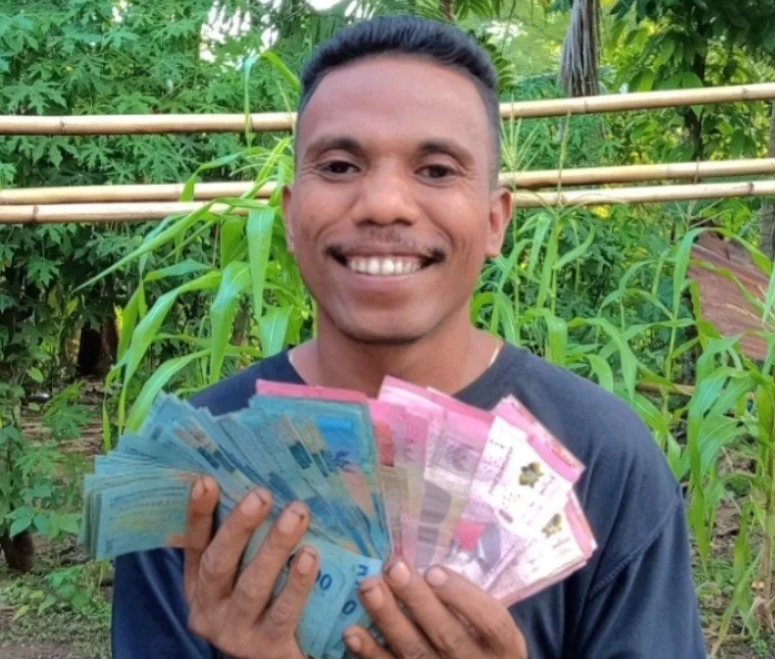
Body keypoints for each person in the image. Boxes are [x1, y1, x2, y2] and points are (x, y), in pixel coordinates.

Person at [111, 15, 706, 659]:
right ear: (289, 215)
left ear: (495, 221)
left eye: (437, 170)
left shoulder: (606, 462)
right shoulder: (191, 473)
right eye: (340, 165)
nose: (384, 203)